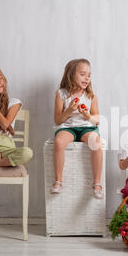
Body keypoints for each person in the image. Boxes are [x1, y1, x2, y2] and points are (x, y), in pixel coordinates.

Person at [51, 59, 103, 198]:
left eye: (89, 75)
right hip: (68, 128)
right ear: (71, 75)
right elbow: (57, 120)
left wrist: (86, 115)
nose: (87, 78)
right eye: (83, 74)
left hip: (87, 128)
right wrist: (69, 110)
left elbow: (97, 119)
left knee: (96, 144)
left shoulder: (90, 95)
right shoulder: (62, 94)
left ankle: (97, 183)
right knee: (59, 142)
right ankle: (58, 181)